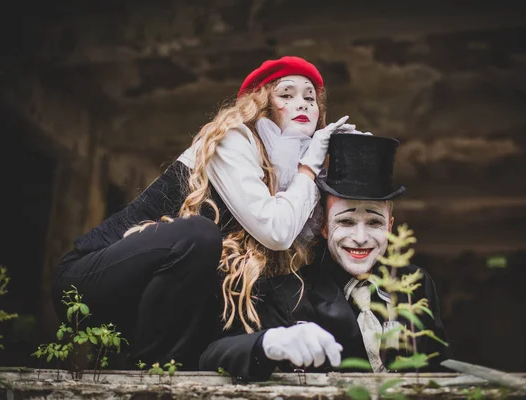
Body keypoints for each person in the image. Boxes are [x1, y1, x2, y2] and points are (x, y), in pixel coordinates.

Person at [50, 56, 358, 369]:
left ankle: (158, 372)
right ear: (262, 104)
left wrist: (356, 161)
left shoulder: (291, 178)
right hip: (87, 280)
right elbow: (277, 231)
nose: (303, 103)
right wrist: (309, 170)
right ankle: (153, 376)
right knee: (199, 234)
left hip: (145, 305)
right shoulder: (234, 139)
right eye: (287, 94)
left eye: (310, 98)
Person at [199, 133, 451, 381]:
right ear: (324, 226)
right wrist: (268, 344)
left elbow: (438, 368)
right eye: (346, 221)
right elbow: (213, 354)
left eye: (374, 222)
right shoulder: (291, 295)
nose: (360, 237)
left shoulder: (416, 284)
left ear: (390, 226)